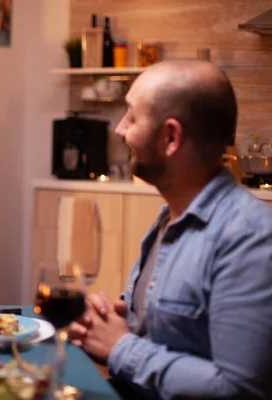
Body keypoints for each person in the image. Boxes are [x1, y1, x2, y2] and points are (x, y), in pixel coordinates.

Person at [70, 60, 272, 399]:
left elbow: (239, 389)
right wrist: (112, 324)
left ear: (170, 137)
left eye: (132, 117)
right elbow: (165, 337)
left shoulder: (249, 239)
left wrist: (121, 346)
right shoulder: (169, 219)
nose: (120, 129)